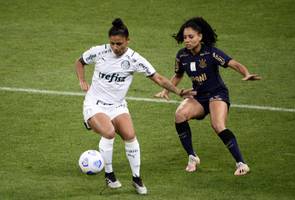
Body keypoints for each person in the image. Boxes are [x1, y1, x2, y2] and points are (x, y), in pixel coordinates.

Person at [75, 18, 195, 195]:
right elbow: (80, 62)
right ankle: (109, 174)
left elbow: (158, 78)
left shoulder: (134, 59)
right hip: (95, 103)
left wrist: (178, 91)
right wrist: (82, 80)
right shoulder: (99, 52)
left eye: (120, 44)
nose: (116, 47)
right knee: (108, 132)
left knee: (130, 136)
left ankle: (136, 178)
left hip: (117, 105)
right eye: (113, 44)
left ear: (128, 41)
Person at [155, 17, 261, 176]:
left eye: (191, 37)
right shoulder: (182, 55)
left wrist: (246, 73)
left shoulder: (210, 52)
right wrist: (167, 90)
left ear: (200, 37)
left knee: (218, 125)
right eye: (185, 37)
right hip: (199, 95)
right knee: (179, 115)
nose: (187, 40)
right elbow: (178, 75)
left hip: (217, 93)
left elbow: (233, 63)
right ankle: (192, 156)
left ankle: (241, 163)